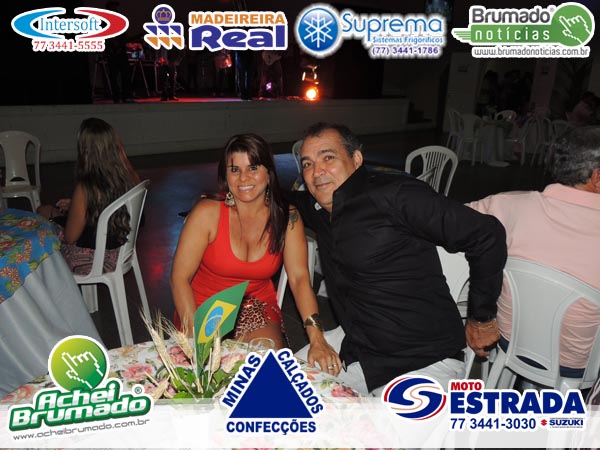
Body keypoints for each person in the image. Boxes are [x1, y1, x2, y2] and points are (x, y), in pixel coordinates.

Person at [288, 123, 507, 396]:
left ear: (356, 159)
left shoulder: (396, 195)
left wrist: (481, 317)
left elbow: (487, 234)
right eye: (307, 164)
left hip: (425, 360)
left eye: (328, 158)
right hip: (359, 351)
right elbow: (278, 197)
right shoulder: (318, 208)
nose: (316, 172)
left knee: (375, 426)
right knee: (273, 392)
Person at [170, 133, 341, 373]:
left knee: (267, 369)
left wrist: (317, 338)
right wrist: (194, 335)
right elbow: (179, 277)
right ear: (225, 175)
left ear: (268, 173)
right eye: (234, 169)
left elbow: (299, 278)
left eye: (253, 168)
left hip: (254, 306)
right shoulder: (207, 213)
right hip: (202, 309)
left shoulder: (287, 217)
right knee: (210, 378)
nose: (243, 178)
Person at [468, 125, 600, 377]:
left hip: (510, 343)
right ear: (597, 177)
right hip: (580, 366)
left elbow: (446, 222)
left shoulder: (506, 205)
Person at [37, 118, 140, 275]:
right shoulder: (129, 177)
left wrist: (55, 217)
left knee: (42, 218)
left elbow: (70, 238)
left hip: (96, 259)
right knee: (51, 213)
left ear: (84, 150)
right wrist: (75, 206)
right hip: (122, 252)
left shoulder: (87, 188)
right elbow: (110, 205)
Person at [104, 1, 134, 103]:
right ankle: (117, 97)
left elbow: (124, 37)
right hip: (112, 53)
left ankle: (126, 96)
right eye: (114, 7)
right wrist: (115, 44)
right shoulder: (105, 21)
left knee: (125, 74)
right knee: (114, 76)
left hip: (120, 52)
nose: (116, 10)